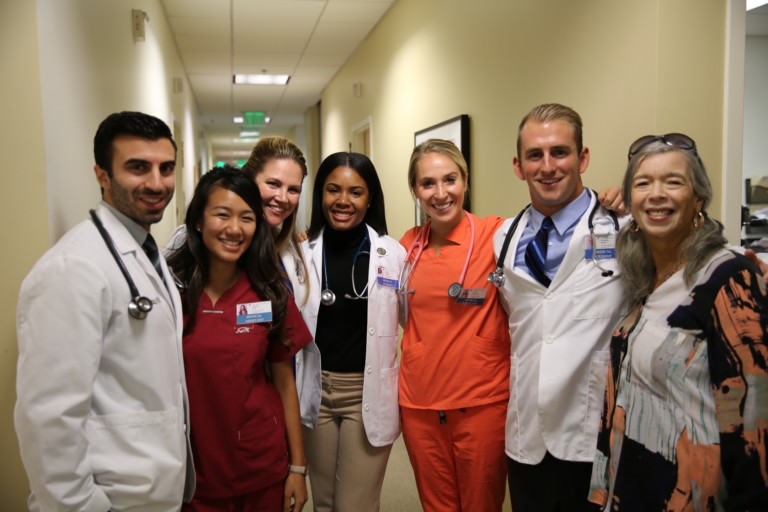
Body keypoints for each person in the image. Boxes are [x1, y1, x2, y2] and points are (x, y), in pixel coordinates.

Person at [15, 111, 195, 511]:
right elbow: (48, 415)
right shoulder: (73, 268)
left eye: (166, 168)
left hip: (148, 489)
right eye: (137, 167)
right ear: (101, 174)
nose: (156, 182)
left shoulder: (146, 252)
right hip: (107, 499)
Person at [588, 134, 768, 510]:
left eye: (673, 182)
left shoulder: (728, 278)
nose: (656, 194)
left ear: (698, 199)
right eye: (643, 183)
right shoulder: (643, 279)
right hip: (635, 489)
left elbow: (756, 424)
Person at [492, 103, 629, 512]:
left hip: (592, 430)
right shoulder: (504, 238)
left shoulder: (623, 227)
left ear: (582, 158)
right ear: (519, 166)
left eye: (560, 152)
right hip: (526, 434)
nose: (547, 166)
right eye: (535, 155)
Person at [166, 167, 313, 511]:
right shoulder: (171, 294)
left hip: (261, 466)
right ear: (198, 222)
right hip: (193, 471)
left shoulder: (269, 294)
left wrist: (298, 467)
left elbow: (285, 383)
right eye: (222, 215)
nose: (234, 229)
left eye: (247, 217)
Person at [399, 139, 511, 511]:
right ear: (415, 190)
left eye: (450, 179)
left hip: (482, 402)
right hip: (420, 405)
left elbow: (554, 222)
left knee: (482, 505)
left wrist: (605, 203)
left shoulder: (496, 235)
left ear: (466, 181)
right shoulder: (405, 248)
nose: (441, 193)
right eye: (427, 183)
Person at [294, 152, 405, 512]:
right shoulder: (300, 252)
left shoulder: (394, 254)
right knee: (324, 503)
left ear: (370, 197)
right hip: (315, 389)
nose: (343, 201)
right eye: (333, 190)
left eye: (356, 192)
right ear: (320, 196)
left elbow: (415, 321)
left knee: (354, 504)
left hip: (365, 391)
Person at [167, 136, 309, 297]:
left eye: (293, 190)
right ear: (249, 181)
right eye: (273, 184)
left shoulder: (289, 253)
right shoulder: (191, 239)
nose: (283, 198)